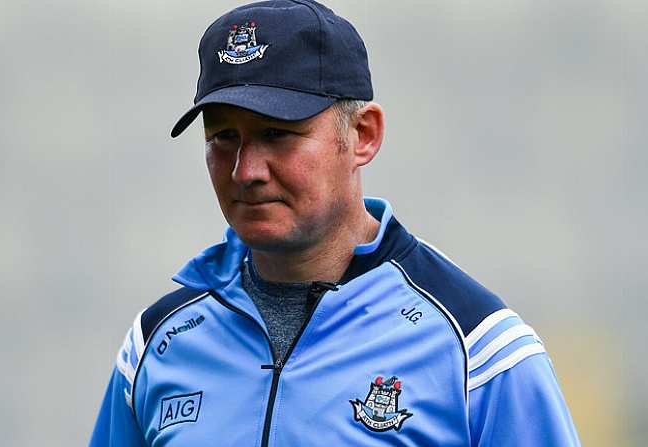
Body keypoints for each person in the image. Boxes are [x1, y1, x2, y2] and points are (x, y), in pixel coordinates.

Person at [90, 1, 580, 445]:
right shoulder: (157, 344)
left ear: (363, 135)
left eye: (277, 134)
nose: (246, 171)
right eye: (223, 138)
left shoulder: (478, 348)